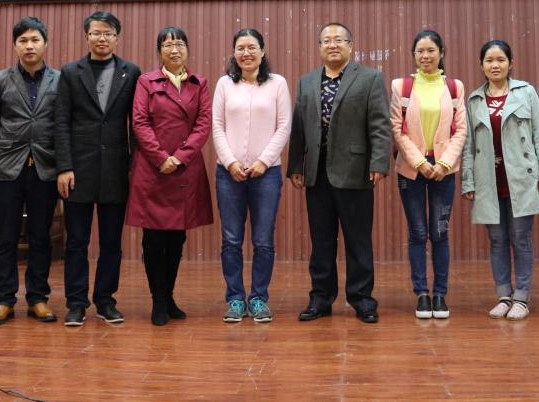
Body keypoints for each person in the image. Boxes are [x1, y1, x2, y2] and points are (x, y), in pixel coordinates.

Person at [288, 22, 391, 324]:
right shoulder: (307, 82)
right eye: (326, 41)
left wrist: (379, 162)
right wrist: (296, 165)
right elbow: (299, 127)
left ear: (350, 45)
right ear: (320, 47)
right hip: (316, 173)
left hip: (355, 171)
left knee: (358, 241)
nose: (332, 45)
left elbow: (380, 124)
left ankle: (362, 299)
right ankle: (320, 298)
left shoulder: (370, 78)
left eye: (338, 40)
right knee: (321, 241)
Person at [55, 11, 141, 327]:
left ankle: (106, 300)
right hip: (78, 170)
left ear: (117, 37)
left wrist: (134, 165)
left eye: (108, 33)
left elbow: (137, 123)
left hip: (116, 170)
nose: (101, 38)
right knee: (76, 241)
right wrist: (64, 166)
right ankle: (76, 303)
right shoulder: (70, 72)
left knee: (111, 243)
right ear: (87, 36)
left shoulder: (131, 72)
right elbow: (61, 121)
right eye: (96, 33)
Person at [461, 40, 539, 321]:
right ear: (481, 65)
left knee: (521, 239)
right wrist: (468, 181)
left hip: (521, 178)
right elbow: (468, 145)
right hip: (489, 179)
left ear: (511, 63)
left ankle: (521, 297)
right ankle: (503, 295)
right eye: (489, 60)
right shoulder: (474, 100)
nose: (495, 65)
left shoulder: (526, 92)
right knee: (497, 240)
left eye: (500, 60)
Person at [128, 26, 213, 326]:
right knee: (153, 239)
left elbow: (203, 124)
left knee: (177, 238)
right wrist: (161, 157)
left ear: (187, 49)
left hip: (184, 169)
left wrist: (179, 157)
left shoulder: (199, 83)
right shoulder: (146, 81)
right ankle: (158, 300)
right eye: (167, 45)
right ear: (159, 51)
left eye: (179, 44)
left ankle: (169, 296)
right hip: (153, 170)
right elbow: (139, 122)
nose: (174, 50)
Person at [0, 16, 62, 326]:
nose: (29, 46)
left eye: (35, 40)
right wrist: (6, 150)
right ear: (15, 45)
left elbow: (63, 123)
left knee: (41, 235)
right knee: (5, 236)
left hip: (45, 167)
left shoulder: (60, 80)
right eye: (23, 40)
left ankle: (38, 298)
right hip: (9, 168)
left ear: (45, 43)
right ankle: (3, 299)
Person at [211, 28, 291, 323]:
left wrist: (263, 161)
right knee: (231, 240)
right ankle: (235, 299)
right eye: (240, 48)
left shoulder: (277, 83)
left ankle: (258, 298)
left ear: (262, 51)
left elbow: (284, 126)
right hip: (228, 174)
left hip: (266, 174)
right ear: (234, 53)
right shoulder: (224, 84)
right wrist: (230, 162)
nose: (246, 53)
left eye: (252, 47)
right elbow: (217, 126)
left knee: (263, 240)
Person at [390, 30, 467, 319]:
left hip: (444, 169)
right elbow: (397, 129)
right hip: (411, 169)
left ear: (441, 53)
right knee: (418, 233)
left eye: (431, 50)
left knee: (440, 232)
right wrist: (420, 162)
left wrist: (444, 163)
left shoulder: (454, 87)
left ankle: (440, 295)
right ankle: (422, 294)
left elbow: (460, 129)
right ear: (414, 54)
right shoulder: (401, 86)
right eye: (420, 51)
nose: (425, 56)